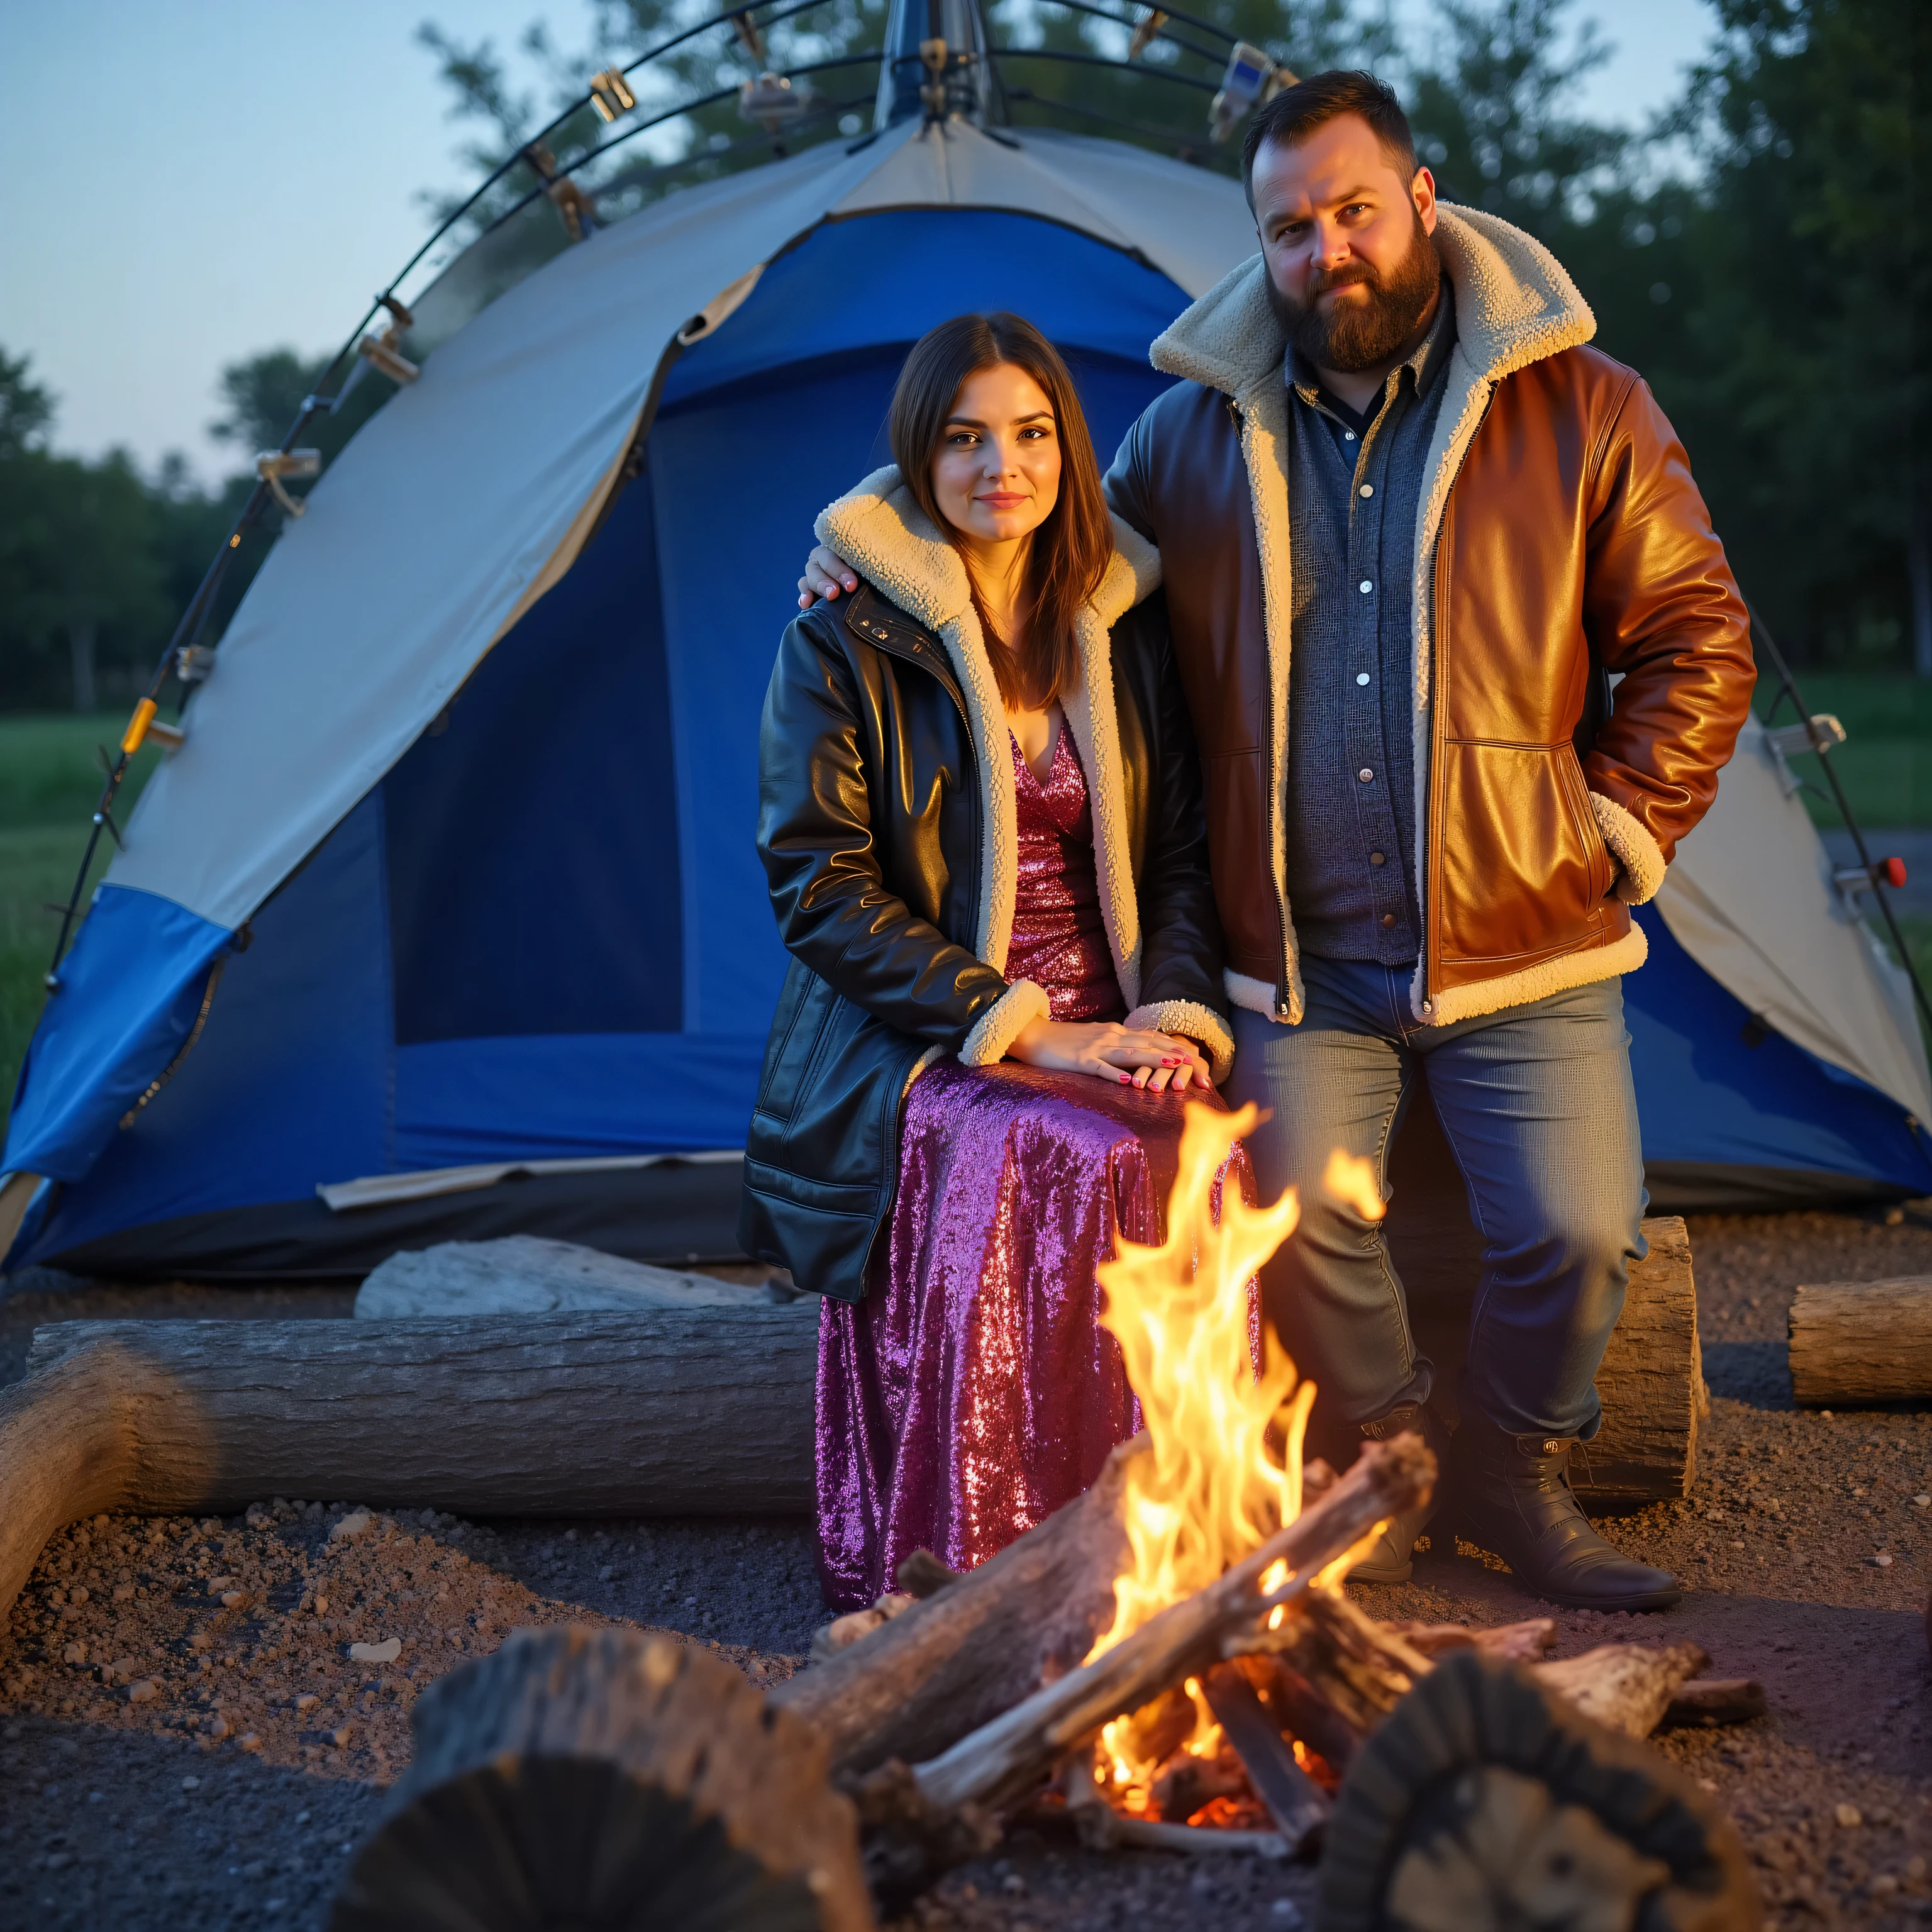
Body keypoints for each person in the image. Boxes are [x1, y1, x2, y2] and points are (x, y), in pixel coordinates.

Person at [798, 75, 1757, 1612]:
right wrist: (858, 543)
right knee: (1290, 1226)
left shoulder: (1581, 409)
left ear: (1422, 199)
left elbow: (1699, 632)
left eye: (1353, 210)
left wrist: (1619, 827)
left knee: (1580, 1237)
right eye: (1291, 227)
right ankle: (1396, 1468)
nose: (1328, 250)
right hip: (1294, 968)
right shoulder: (1191, 439)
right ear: (1264, 244)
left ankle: (1513, 1470)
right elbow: (1017, 515)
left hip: (1530, 940)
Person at [743, 312, 1239, 1609]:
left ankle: (1178, 1559)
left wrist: (1176, 1010)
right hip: (923, 1031)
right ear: (917, 461)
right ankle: (988, 1576)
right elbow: (819, 887)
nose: (998, 468)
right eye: (962, 440)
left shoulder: (1119, 631)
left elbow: (1181, 854)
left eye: (1028, 435)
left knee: (1207, 1145)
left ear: (1070, 453)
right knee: (1057, 1146)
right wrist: (1028, 1031)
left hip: (1114, 1004)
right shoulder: (840, 641)